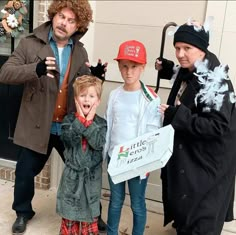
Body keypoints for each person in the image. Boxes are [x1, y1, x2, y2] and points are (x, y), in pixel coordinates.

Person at [0, 0, 107, 234]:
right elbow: (5, 72)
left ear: (78, 25)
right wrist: (34, 69)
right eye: (61, 17)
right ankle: (22, 212)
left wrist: (95, 76)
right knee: (25, 172)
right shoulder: (29, 44)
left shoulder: (80, 51)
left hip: (68, 125)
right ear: (53, 15)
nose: (64, 23)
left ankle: (93, 212)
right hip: (37, 123)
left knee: (83, 170)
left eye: (71, 20)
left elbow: (82, 85)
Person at [155, 19, 236, 235]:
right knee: (186, 218)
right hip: (192, 164)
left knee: (201, 224)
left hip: (208, 169)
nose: (180, 53)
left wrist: (177, 116)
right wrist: (169, 69)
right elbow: (190, 85)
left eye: (187, 48)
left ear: (201, 49)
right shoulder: (193, 68)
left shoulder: (216, 82)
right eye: (177, 48)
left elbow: (217, 125)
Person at [104, 40, 162, 235]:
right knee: (115, 201)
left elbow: (153, 131)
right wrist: (107, 153)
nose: (129, 72)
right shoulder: (114, 95)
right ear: (119, 67)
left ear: (143, 68)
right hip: (116, 157)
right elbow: (110, 124)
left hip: (137, 160)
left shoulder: (150, 98)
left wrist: (145, 161)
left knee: (137, 203)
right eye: (124, 66)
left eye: (134, 67)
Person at [56, 75, 107, 235]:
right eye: (82, 95)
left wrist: (90, 121)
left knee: (88, 221)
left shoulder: (101, 123)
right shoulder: (68, 121)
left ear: (98, 101)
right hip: (72, 180)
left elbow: (98, 143)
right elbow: (68, 140)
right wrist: (80, 120)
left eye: (91, 96)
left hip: (90, 180)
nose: (87, 99)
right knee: (70, 219)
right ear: (76, 99)